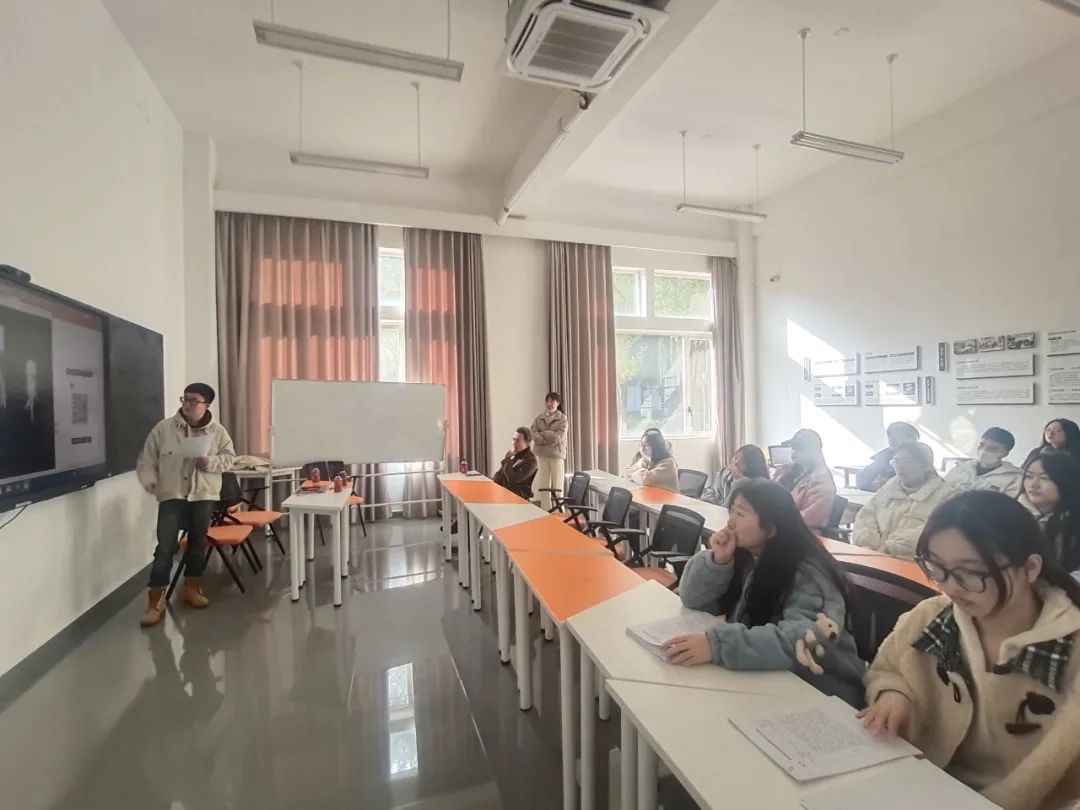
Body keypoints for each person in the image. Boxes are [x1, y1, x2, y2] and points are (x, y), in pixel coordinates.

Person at [859, 491, 1080, 809]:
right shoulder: (932, 616)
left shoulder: (1070, 648)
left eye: (971, 572)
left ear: (1030, 568)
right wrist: (894, 694)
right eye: (937, 567)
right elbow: (887, 668)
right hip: (920, 784)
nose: (950, 586)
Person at [665, 480, 866, 706]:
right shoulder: (747, 557)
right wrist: (717, 561)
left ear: (770, 529)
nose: (730, 522)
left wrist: (718, 645)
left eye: (740, 514)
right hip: (769, 676)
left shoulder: (810, 573)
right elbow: (693, 600)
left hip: (823, 690)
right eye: (732, 511)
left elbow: (805, 640)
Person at [135, 383, 236, 628]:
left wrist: (211, 462)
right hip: (172, 495)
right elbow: (147, 460)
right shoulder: (164, 429)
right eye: (185, 399)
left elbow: (229, 459)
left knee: (197, 544)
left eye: (194, 400)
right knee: (165, 547)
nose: (187, 404)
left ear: (206, 405)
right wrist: (151, 483)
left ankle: (193, 588)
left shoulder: (218, 431)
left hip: (203, 495)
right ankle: (155, 601)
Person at [853, 441, 956, 560]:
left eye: (906, 461)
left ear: (925, 465)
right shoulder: (887, 489)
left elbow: (932, 531)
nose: (900, 467)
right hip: (873, 555)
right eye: (896, 462)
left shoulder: (945, 495)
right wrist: (868, 545)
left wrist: (890, 547)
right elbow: (867, 515)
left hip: (915, 561)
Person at [1019, 452, 1080, 575]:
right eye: (1029, 476)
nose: (1033, 484)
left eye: (1045, 478)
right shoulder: (1010, 513)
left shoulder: (1073, 520)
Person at [773, 429, 836, 531]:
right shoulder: (785, 471)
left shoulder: (821, 483)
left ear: (813, 451)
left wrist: (773, 519)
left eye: (799, 447)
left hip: (799, 533)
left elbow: (809, 518)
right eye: (793, 447)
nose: (793, 451)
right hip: (778, 527)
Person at [945, 426, 1022, 497]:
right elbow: (941, 493)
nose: (983, 450)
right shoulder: (960, 468)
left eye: (992, 448)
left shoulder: (1013, 479)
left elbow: (1006, 505)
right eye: (981, 445)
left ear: (1005, 454)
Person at [856, 421, 921, 492]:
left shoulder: (920, 458)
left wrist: (890, 485)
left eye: (897, 436)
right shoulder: (883, 456)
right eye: (890, 435)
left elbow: (919, 484)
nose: (891, 439)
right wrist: (872, 485)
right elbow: (862, 479)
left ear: (910, 440)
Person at [530, 392, 568, 511]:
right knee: (543, 486)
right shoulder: (539, 418)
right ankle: (546, 511)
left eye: (552, 401)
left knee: (558, 486)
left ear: (558, 403)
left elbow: (558, 437)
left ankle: (559, 512)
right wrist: (545, 437)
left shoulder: (563, 418)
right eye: (548, 401)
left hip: (556, 455)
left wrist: (544, 433)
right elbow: (534, 433)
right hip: (542, 455)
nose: (549, 404)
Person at [701, 444, 769, 506]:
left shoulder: (754, 485)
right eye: (735, 458)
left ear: (751, 466)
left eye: (742, 461)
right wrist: (714, 504)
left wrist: (738, 480)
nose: (736, 463)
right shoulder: (725, 473)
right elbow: (710, 491)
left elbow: (729, 508)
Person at [492, 426, 538, 500]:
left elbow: (512, 480)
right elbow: (499, 474)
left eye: (518, 440)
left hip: (517, 496)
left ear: (527, 443)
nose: (514, 443)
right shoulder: (515, 456)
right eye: (513, 439)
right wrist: (492, 485)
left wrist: (507, 460)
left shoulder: (531, 461)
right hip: (504, 492)